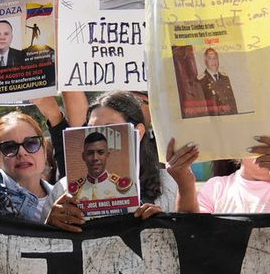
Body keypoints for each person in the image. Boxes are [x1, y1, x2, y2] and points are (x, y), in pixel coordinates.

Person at [47, 91, 175, 231]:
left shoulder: (168, 184)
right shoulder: (63, 189)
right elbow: (41, 241)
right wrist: (50, 224)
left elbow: (186, 235)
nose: (99, 139)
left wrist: (163, 223)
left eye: (110, 129)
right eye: (91, 130)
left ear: (138, 132)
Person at [171, 137, 270, 214]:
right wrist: (185, 185)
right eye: (255, 137)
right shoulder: (216, 188)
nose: (266, 145)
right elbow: (192, 234)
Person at [0, 110, 57, 220]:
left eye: (31, 143)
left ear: (44, 150)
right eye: (9, 147)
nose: (22, 153)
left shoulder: (63, 195)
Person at [67, 129, 135, 209]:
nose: (95, 158)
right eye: (90, 153)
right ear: (83, 157)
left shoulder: (124, 187)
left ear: (107, 155)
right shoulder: (73, 190)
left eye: (100, 152)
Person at [197, 47, 238, 116]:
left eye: (215, 58)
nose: (213, 61)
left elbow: (232, 102)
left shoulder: (225, 78)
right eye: (210, 58)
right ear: (205, 61)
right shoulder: (201, 81)